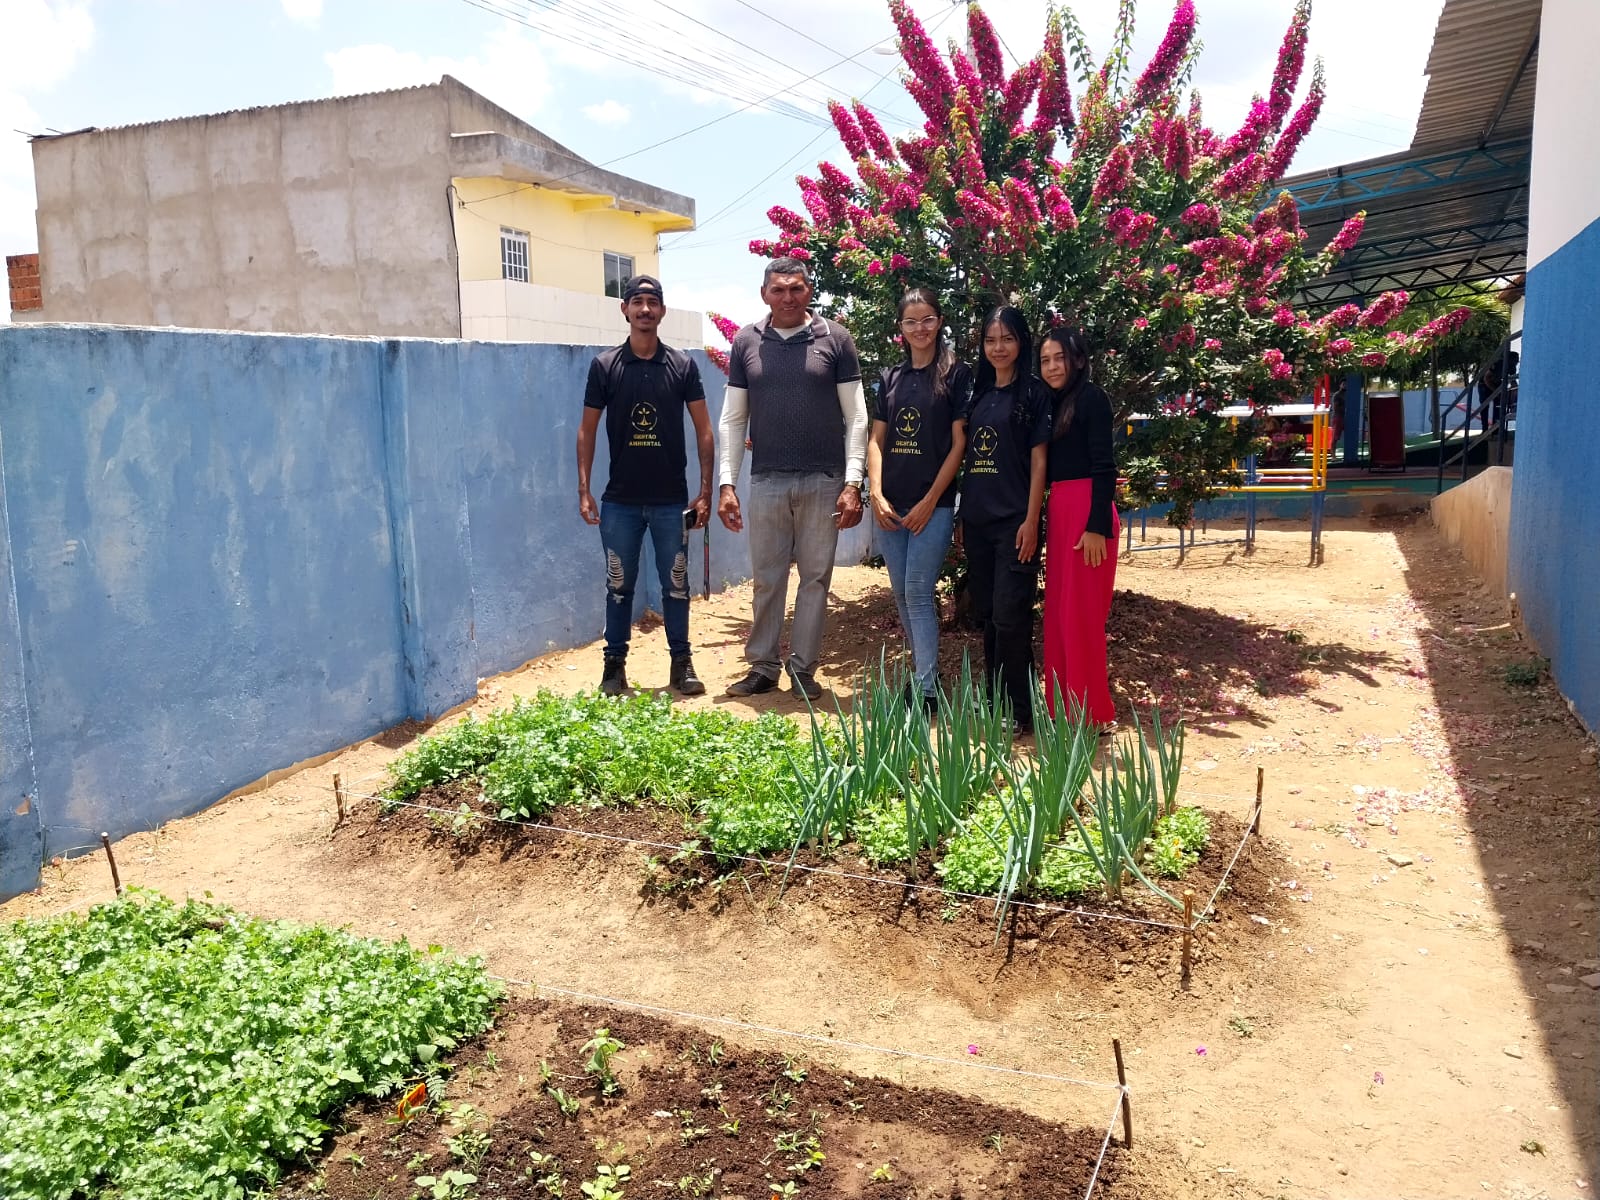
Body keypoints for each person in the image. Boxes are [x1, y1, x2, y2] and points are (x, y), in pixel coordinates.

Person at [717, 257, 868, 700]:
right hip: (766, 480)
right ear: (764, 294)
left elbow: (856, 417)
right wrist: (728, 483)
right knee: (767, 577)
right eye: (778, 290)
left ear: (810, 290)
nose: (787, 297)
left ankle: (803, 668)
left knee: (815, 579)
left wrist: (852, 482)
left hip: (823, 480)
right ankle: (763, 666)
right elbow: (733, 419)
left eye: (796, 289)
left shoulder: (836, 339)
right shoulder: (747, 342)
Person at [577, 274, 714, 697]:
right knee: (618, 586)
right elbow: (586, 431)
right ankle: (614, 669)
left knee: (676, 586)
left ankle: (681, 665)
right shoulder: (605, 366)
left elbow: (704, 430)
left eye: (652, 302)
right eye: (637, 302)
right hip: (620, 503)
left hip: (671, 502)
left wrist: (705, 491)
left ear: (662, 311)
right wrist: (584, 489)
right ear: (625, 310)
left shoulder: (682, 365)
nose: (645, 309)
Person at [867, 288, 969, 711]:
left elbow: (960, 443)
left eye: (927, 319)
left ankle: (926, 689)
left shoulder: (956, 374)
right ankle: (924, 675)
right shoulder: (890, 378)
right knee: (903, 594)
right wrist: (874, 492)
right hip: (891, 507)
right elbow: (875, 439)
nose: (920, 328)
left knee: (918, 590)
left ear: (939, 321)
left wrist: (932, 499)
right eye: (911, 321)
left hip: (935, 506)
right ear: (900, 329)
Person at [959, 306, 1051, 731]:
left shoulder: (1034, 394)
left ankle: (1022, 710)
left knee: (1012, 617)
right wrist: (963, 515)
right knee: (990, 618)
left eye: (1007, 339)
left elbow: (1039, 463)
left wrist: (1032, 520)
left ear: (1021, 343)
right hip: (977, 522)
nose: (998, 348)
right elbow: (966, 459)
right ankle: (996, 700)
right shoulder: (977, 393)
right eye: (990, 339)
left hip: (1015, 522)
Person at [1039, 326, 1120, 731]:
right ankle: (1062, 708)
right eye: (1045, 360)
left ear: (1079, 361)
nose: (1053, 366)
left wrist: (1097, 527)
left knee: (1083, 617)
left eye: (1060, 358)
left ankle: (1094, 714)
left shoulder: (1092, 399)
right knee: (1058, 614)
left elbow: (1105, 465)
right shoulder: (1050, 405)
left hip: (1089, 514)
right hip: (1062, 512)